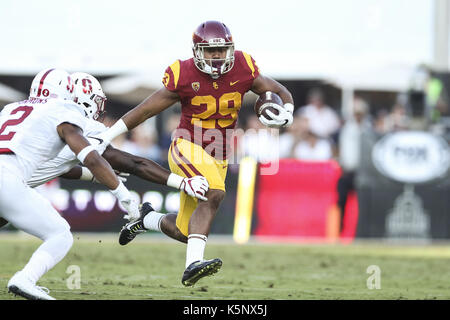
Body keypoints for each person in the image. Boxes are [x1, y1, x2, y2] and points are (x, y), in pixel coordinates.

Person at [97, 20, 295, 287]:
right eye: (211, 51)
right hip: (187, 145)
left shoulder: (243, 67)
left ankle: (146, 219)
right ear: (197, 51)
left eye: (222, 50)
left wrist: (287, 114)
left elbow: (280, 91)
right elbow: (145, 110)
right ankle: (192, 266)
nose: (216, 57)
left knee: (185, 231)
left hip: (220, 154)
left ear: (230, 49)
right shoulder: (184, 73)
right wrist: (108, 136)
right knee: (213, 192)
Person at [0, 68, 140, 300]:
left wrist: (90, 176)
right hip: (7, 178)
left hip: (8, 174)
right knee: (60, 234)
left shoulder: (11, 108)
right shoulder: (61, 110)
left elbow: (60, 165)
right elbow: (90, 157)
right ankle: (25, 279)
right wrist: (124, 195)